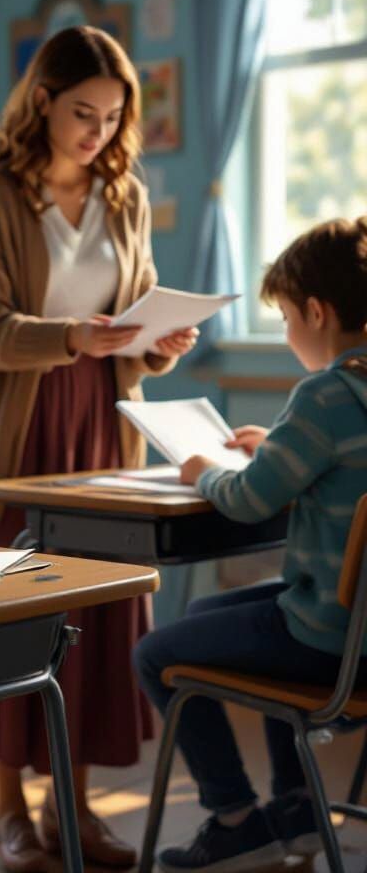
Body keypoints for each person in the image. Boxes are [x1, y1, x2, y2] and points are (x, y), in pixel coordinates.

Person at [0, 26, 198, 871]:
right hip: (14, 427)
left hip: (105, 422)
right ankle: (9, 807)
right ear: (42, 101)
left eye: (114, 116)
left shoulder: (124, 194)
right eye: (84, 112)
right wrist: (75, 339)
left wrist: (156, 344)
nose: (99, 131)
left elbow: (134, 313)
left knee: (94, 611)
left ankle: (71, 803)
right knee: (11, 615)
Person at [135, 217, 367, 873]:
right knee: (211, 621)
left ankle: (235, 819)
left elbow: (245, 500)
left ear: (317, 312)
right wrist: (276, 449)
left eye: (288, 316)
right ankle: (295, 809)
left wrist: (200, 469)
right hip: (358, 633)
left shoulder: (324, 394)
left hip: (330, 643)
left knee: (156, 653)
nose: (290, 331)